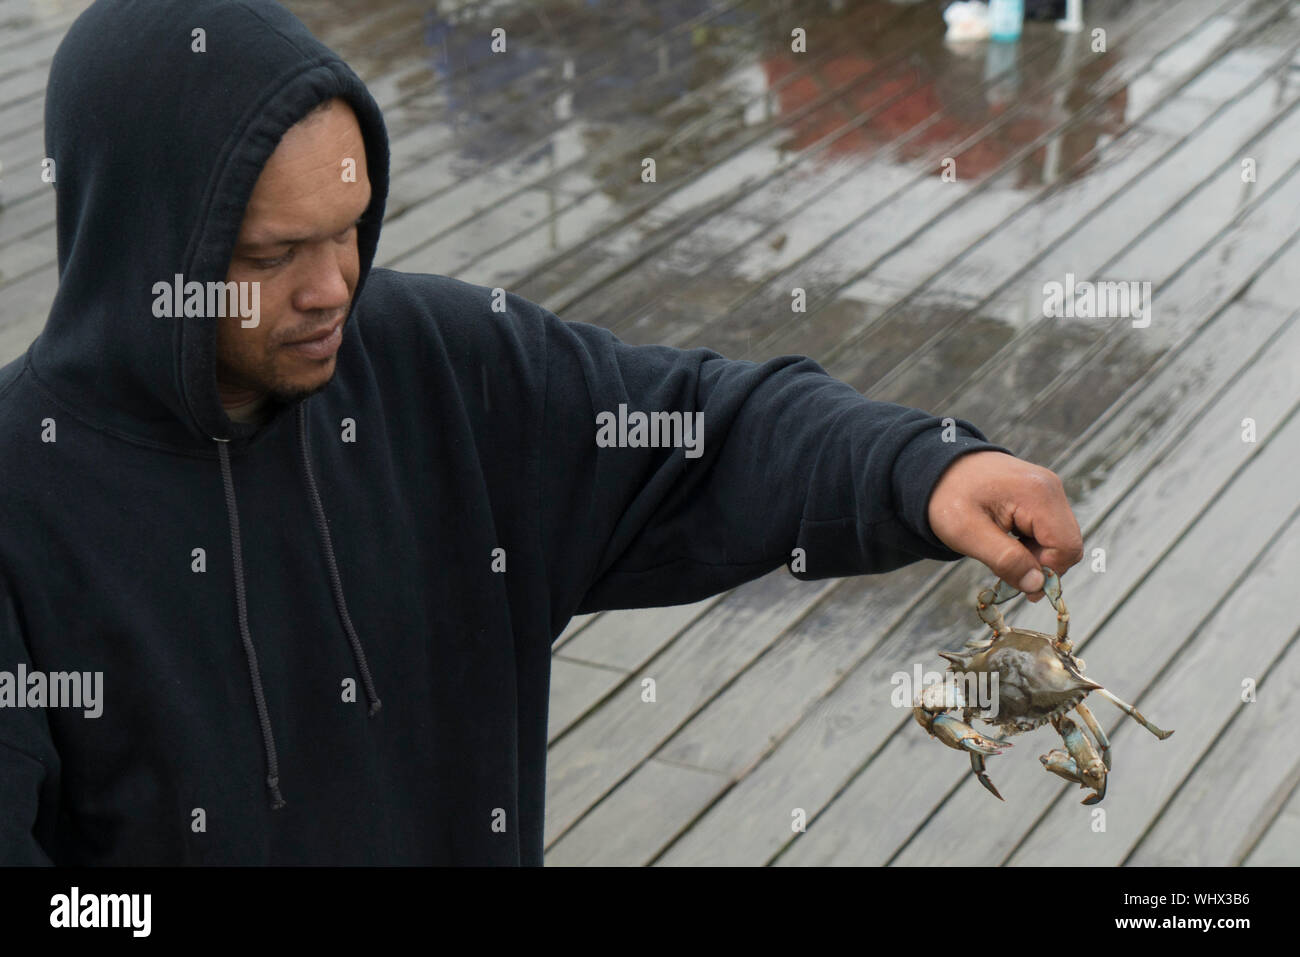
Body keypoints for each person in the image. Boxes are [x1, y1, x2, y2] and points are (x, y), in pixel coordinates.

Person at [0, 0, 1082, 865]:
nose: (333, 287)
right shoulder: (23, 503)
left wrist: (922, 468)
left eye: (350, 230)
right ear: (139, 242)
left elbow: (704, 429)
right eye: (268, 256)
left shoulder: (441, 367)